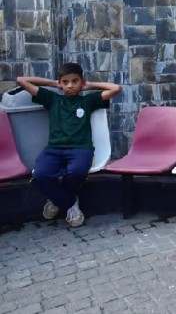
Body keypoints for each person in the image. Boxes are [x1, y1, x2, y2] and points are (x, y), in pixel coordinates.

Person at [16, 63, 122, 228]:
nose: (70, 85)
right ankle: (70, 202)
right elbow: (21, 80)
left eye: (75, 81)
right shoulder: (52, 99)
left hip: (81, 149)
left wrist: (89, 85)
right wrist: (54, 83)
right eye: (66, 82)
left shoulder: (88, 101)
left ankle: (57, 199)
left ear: (81, 81)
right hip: (54, 149)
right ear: (61, 83)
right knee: (40, 176)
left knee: (77, 171)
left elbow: (116, 88)